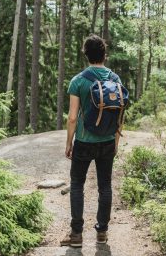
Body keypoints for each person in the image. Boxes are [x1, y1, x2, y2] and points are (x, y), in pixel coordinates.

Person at [60, 34, 123, 248]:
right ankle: (102, 233)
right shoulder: (115, 80)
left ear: (86, 55)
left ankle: (76, 234)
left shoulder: (78, 80)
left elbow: (72, 117)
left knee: (77, 184)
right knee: (105, 186)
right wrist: (116, 142)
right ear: (105, 55)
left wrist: (69, 143)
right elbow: (119, 115)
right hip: (107, 140)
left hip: (84, 142)